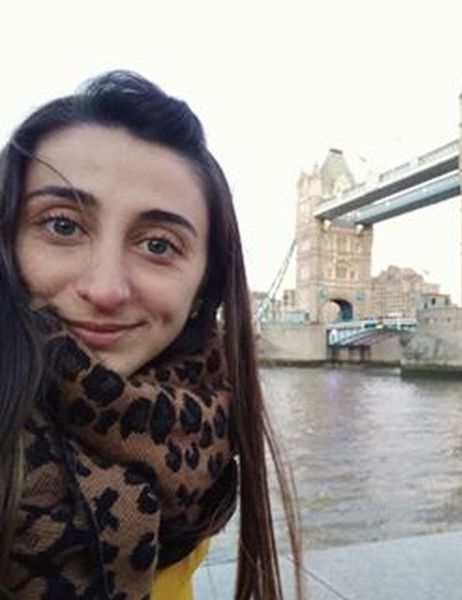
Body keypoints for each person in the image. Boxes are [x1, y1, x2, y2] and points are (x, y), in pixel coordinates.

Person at [0, 71, 303, 599]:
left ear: (204, 286)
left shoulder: (200, 435)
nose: (106, 289)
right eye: (62, 225)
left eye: (158, 245)